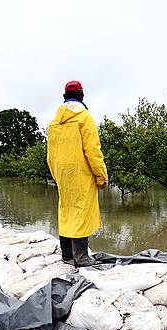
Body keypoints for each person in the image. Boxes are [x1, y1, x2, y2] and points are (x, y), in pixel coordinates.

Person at [46, 80, 108, 267]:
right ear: (81, 95)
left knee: (66, 210)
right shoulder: (84, 117)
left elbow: (50, 154)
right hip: (81, 173)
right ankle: (81, 257)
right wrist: (101, 175)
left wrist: (56, 175)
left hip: (63, 174)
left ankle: (66, 255)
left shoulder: (54, 121)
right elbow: (93, 151)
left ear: (64, 96)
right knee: (81, 211)